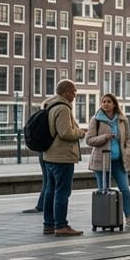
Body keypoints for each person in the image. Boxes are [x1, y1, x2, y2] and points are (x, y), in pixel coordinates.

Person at [41, 80, 87, 236]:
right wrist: (81, 132)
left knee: (50, 190)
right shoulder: (63, 108)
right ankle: (61, 225)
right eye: (74, 91)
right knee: (62, 192)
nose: (75, 94)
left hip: (49, 156)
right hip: (62, 157)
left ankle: (49, 224)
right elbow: (65, 133)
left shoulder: (50, 106)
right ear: (66, 92)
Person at [86, 93, 130, 227]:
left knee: (125, 189)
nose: (106, 104)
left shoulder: (122, 119)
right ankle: (105, 219)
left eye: (109, 102)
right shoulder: (96, 119)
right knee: (103, 190)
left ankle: (129, 218)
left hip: (119, 161)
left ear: (114, 104)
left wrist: (128, 152)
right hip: (101, 162)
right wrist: (105, 137)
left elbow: (128, 139)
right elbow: (89, 140)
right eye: (103, 102)